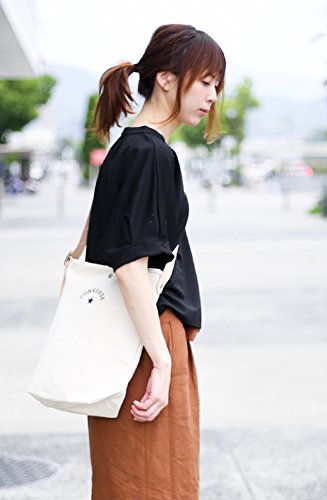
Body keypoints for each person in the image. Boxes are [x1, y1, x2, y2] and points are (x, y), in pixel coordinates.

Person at [64, 24, 225, 499]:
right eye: (205, 81)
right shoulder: (151, 154)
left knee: (128, 480)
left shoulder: (127, 148)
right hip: (146, 339)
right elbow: (131, 266)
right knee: (156, 484)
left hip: (126, 339)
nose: (212, 96)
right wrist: (162, 361)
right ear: (167, 78)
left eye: (217, 85)